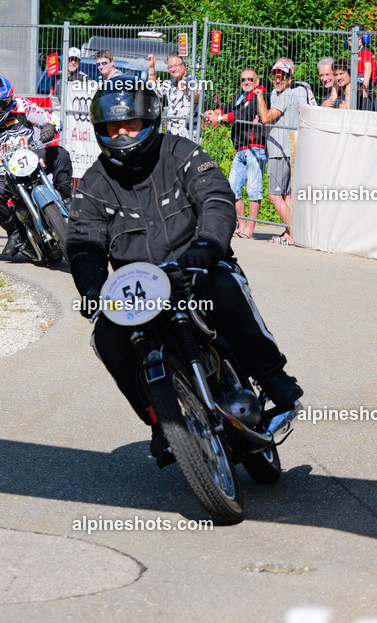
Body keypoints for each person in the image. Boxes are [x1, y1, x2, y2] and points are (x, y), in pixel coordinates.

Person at [66, 75, 304, 465]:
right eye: (113, 127)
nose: (123, 133)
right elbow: (82, 241)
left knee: (224, 289)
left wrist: (207, 245)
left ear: (150, 121)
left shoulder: (182, 153)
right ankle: (159, 422)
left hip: (196, 267)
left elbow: (216, 197)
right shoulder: (94, 182)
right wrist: (92, 288)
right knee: (106, 338)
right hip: (139, 291)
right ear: (101, 130)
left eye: (131, 124)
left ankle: (273, 377)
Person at [0, 75, 73, 256]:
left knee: (60, 154)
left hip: (31, 157)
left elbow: (50, 119)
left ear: (10, 99)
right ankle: (15, 232)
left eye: (2, 103)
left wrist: (48, 127)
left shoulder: (22, 106)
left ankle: (66, 199)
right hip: (0, 170)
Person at [256, 59, 315, 246]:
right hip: (289, 148)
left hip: (279, 150)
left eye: (282, 76)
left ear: (290, 78)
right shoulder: (286, 93)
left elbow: (266, 118)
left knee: (274, 196)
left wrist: (259, 97)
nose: (278, 80)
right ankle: (290, 235)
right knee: (287, 196)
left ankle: (296, 233)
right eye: (275, 75)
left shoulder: (287, 95)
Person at [203, 68, 266, 239]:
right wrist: (215, 113)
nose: (246, 82)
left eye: (250, 79)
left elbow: (243, 114)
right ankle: (242, 224)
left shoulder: (260, 95)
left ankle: (250, 229)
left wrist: (221, 118)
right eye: (243, 79)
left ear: (257, 81)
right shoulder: (242, 95)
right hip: (241, 148)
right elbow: (228, 107)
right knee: (232, 188)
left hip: (255, 147)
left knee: (254, 190)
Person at [147, 53, 199, 139]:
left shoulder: (192, 80)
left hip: (188, 135)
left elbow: (197, 98)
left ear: (184, 65)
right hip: (172, 134)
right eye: (170, 67)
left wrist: (186, 91)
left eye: (176, 66)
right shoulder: (171, 83)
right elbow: (153, 87)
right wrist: (151, 67)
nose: (173, 69)